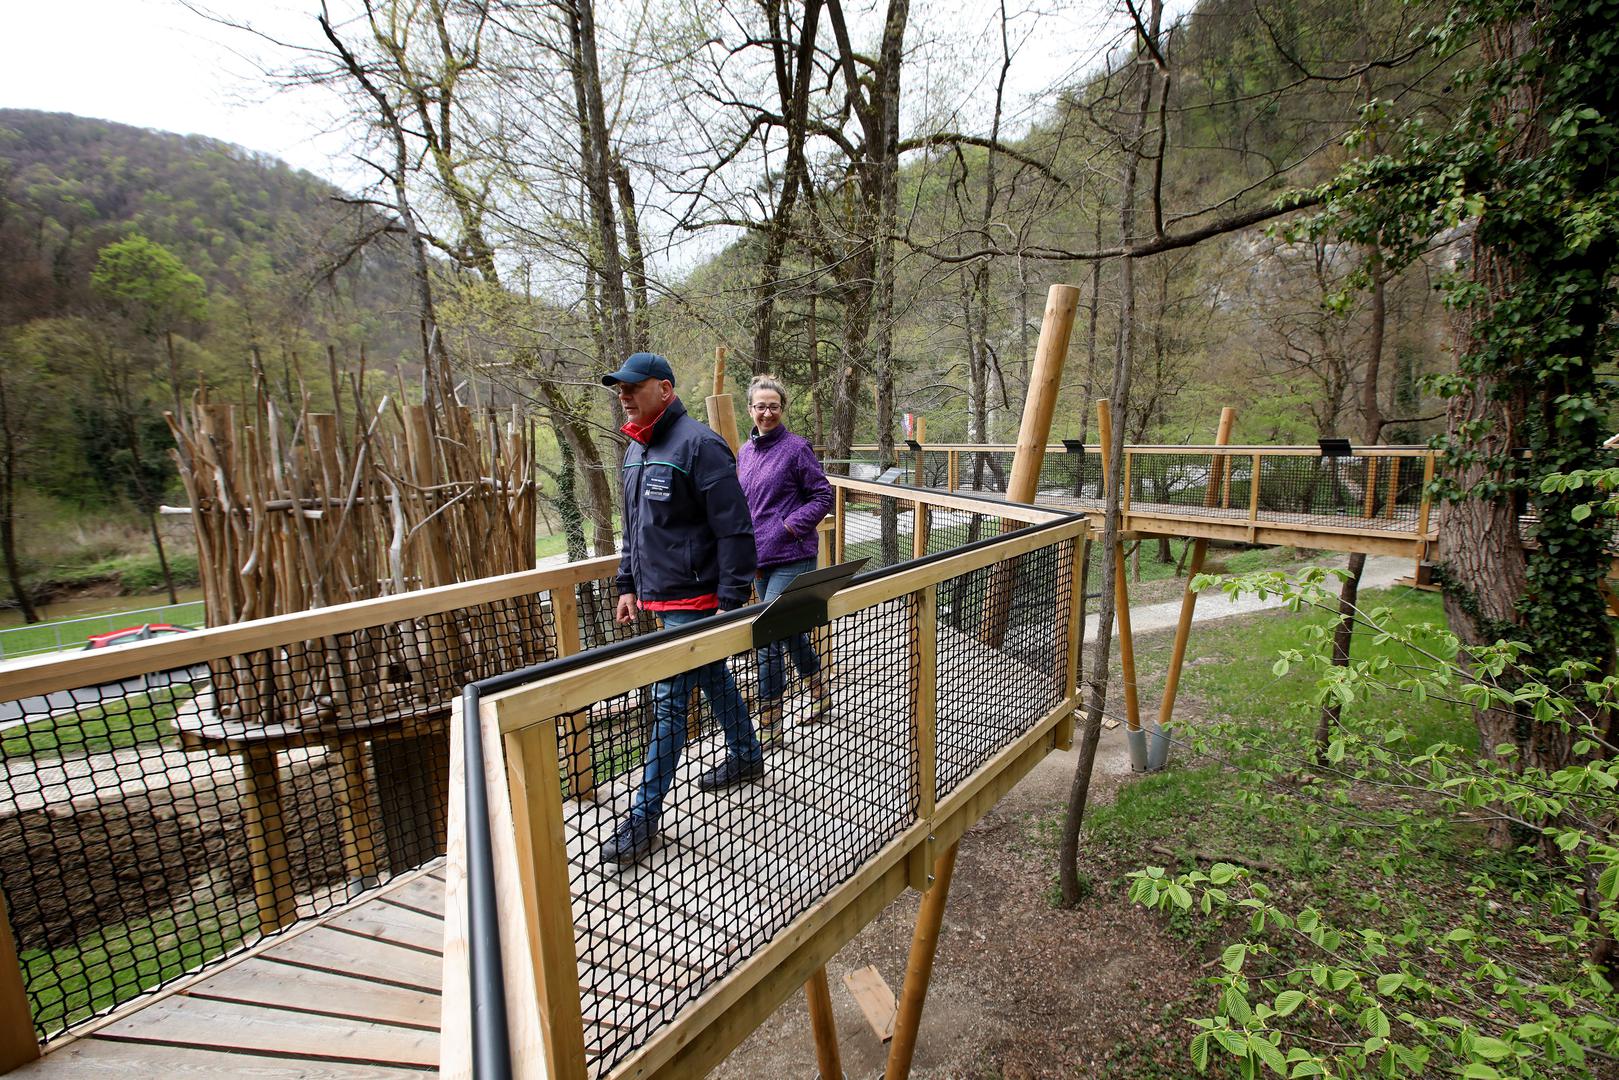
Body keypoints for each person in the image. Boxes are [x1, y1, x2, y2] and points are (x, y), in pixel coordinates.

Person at [600, 352, 764, 866]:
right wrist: (627, 583)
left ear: (665, 390)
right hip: (659, 594)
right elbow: (635, 527)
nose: (624, 395)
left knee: (670, 701)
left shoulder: (700, 445)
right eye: (620, 388)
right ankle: (747, 755)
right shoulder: (635, 449)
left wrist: (730, 602)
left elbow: (735, 530)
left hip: (696, 601)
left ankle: (642, 817)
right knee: (713, 678)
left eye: (635, 386)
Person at [736, 375, 835, 739]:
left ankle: (770, 722)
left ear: (782, 409)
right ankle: (820, 693)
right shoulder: (745, 452)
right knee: (789, 633)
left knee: (767, 634)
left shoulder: (797, 448)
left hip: (793, 554)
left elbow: (823, 497)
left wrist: (790, 527)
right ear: (750, 409)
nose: (766, 413)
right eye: (760, 406)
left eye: (773, 406)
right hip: (758, 559)